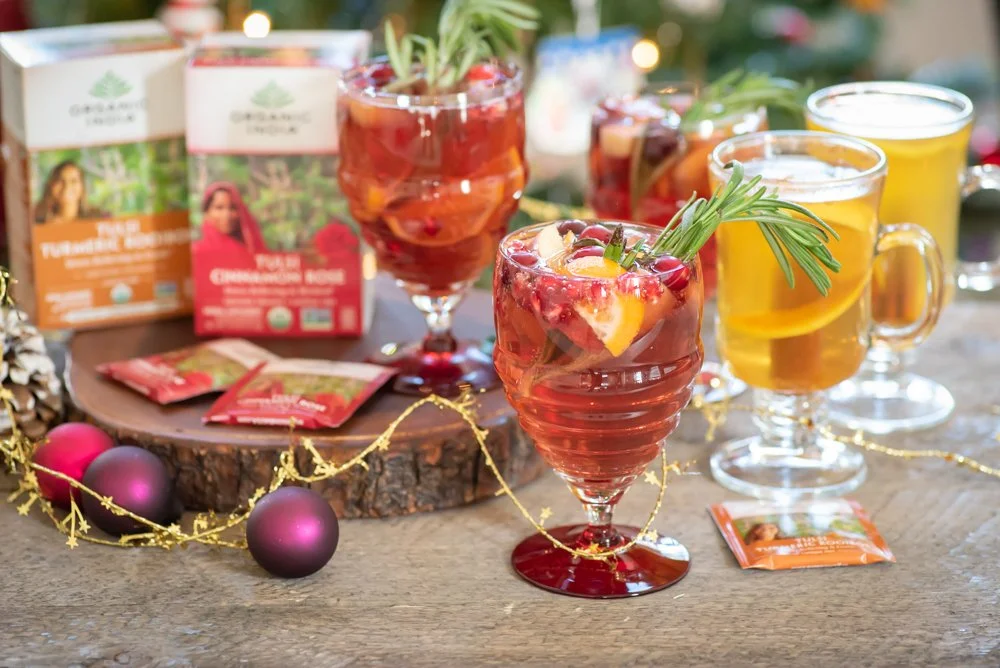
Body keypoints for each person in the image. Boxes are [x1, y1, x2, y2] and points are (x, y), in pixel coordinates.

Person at [192, 182, 267, 262]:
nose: (227, 215)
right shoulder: (195, 253)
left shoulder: (251, 250)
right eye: (219, 208)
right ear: (206, 213)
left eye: (232, 208)